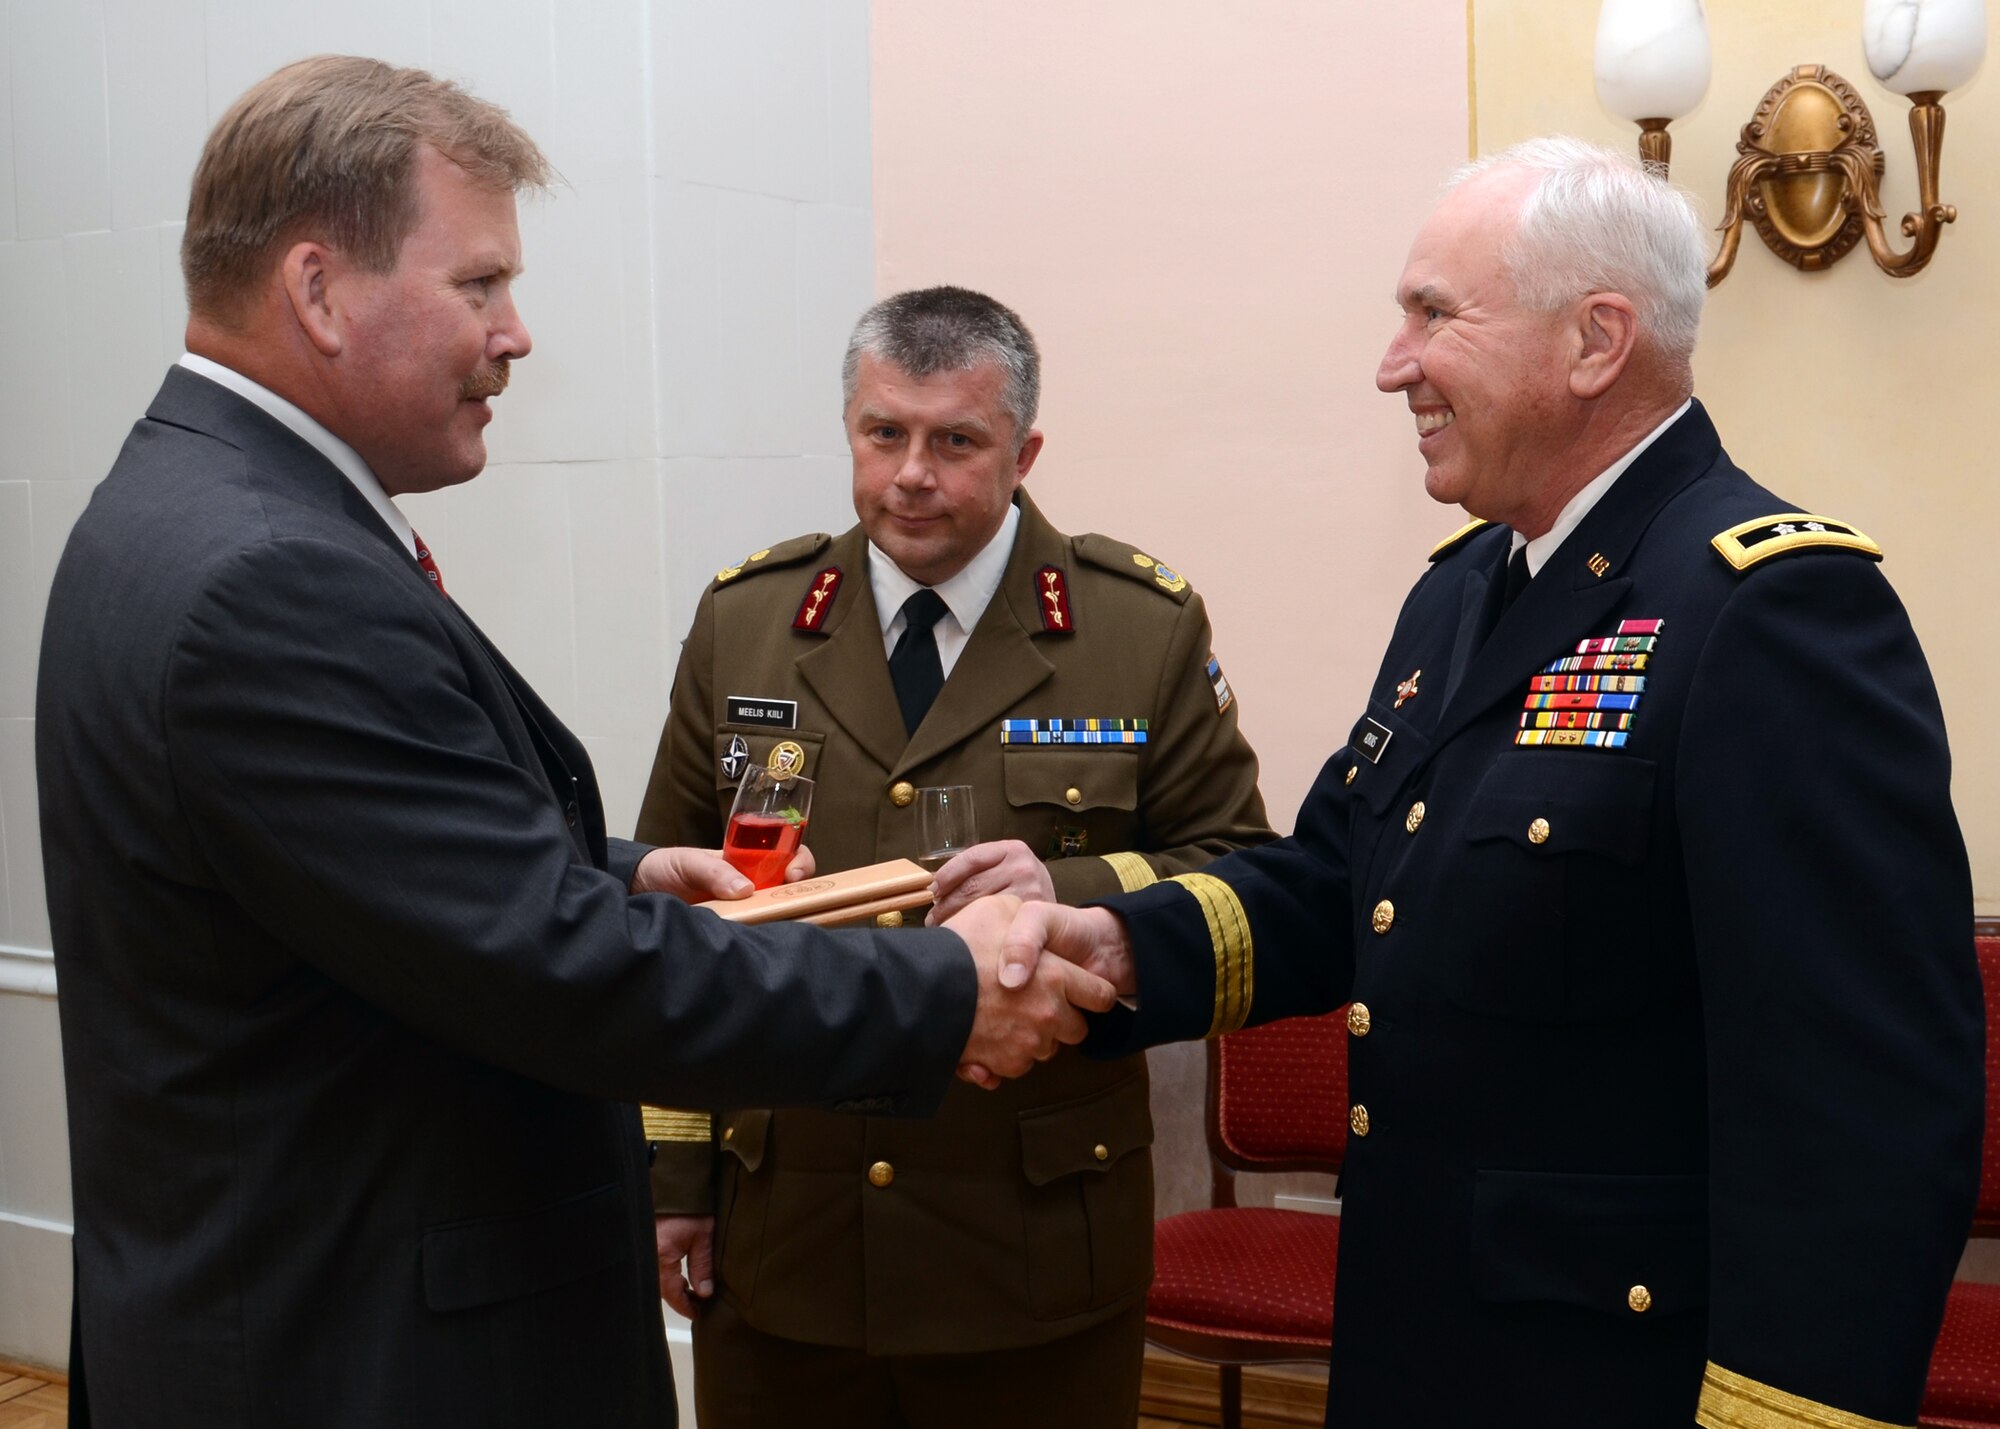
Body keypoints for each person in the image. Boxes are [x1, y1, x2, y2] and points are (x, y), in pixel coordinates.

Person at [34, 58, 1110, 1429]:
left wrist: (609, 875)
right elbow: (563, 980)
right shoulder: (269, 574)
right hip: (356, 1351)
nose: (517, 332)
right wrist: (942, 992)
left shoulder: (182, 502)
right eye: (480, 283)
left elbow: (368, 871)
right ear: (318, 290)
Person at [1003, 137, 1984, 1429]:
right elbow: (1339, 882)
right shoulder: (1465, 591)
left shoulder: (1771, 609)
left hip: (1621, 1382)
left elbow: (1862, 1099)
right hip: (1425, 1347)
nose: (1391, 364)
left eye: (1432, 315)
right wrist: (1121, 943)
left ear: (1595, 341)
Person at [633, 285, 1273, 1427]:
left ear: (1022, 451)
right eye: (884, 434)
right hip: (788, 1235)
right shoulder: (749, 618)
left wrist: (1063, 889)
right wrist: (674, 1179)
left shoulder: (1137, 626)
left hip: (1028, 1243)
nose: (911, 473)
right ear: (848, 429)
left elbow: (1236, 867)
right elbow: (670, 923)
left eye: (954, 441)